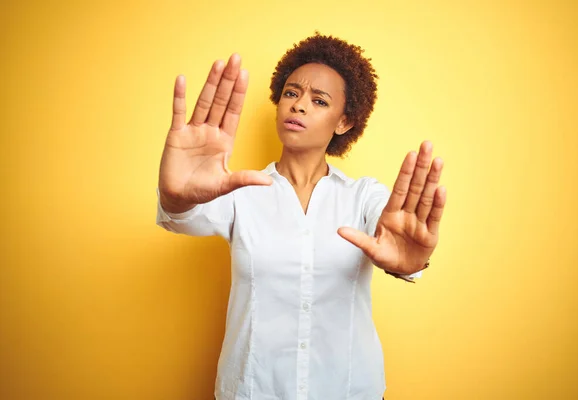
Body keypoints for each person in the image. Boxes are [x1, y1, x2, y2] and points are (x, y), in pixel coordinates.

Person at [156, 33, 446, 400]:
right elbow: (180, 215)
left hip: (349, 390)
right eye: (292, 93)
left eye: (319, 100)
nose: (299, 106)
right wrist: (175, 194)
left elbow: (397, 238)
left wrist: (409, 263)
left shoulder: (363, 197)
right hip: (253, 390)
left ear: (343, 122)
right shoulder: (238, 191)